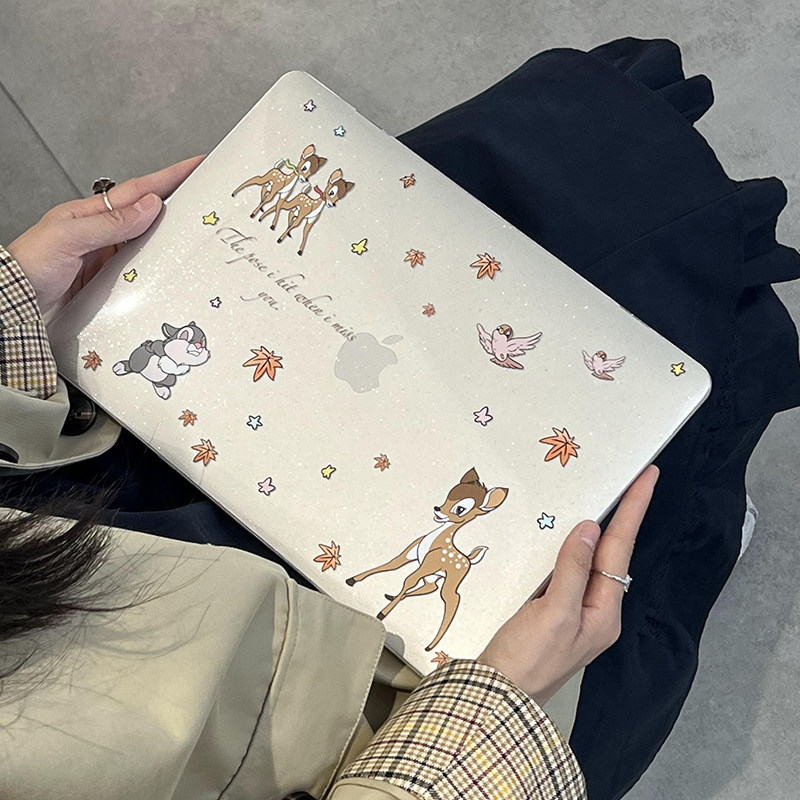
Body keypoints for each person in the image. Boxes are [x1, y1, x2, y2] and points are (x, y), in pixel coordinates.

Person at [3, 35, 800, 800]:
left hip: (94, 473)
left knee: (553, 159)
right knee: (644, 506)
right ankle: (694, 525)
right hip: (382, 723)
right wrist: (491, 716)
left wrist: (10, 310)